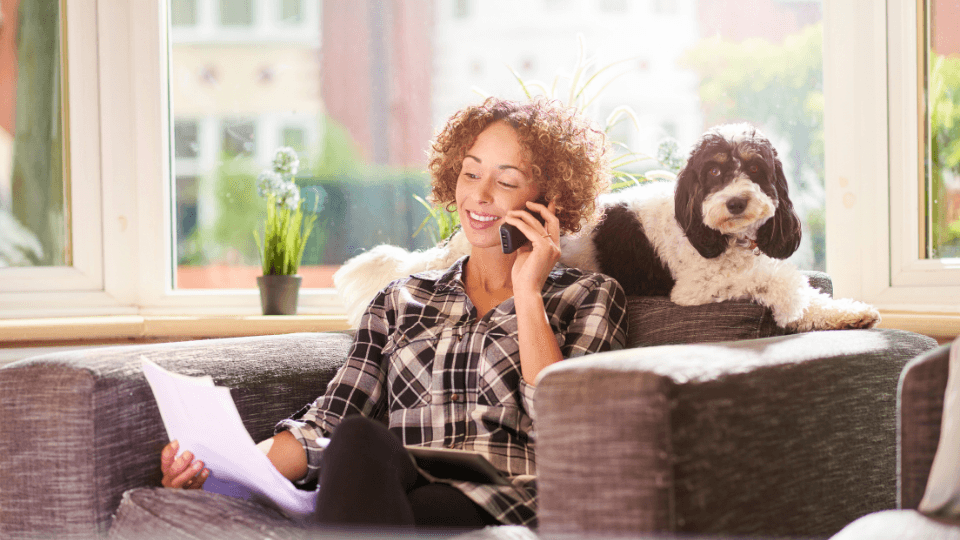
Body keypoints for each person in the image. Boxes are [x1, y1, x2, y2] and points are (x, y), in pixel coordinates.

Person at [160, 97, 629, 530]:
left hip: (503, 498)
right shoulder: (401, 298)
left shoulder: (591, 296)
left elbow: (566, 430)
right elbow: (328, 422)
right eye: (470, 174)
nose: (481, 195)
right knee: (359, 438)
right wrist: (218, 468)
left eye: (506, 181)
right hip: (394, 490)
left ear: (552, 200)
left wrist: (528, 295)